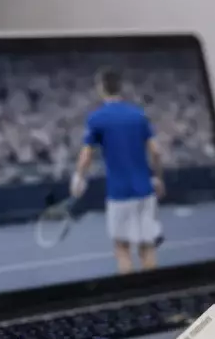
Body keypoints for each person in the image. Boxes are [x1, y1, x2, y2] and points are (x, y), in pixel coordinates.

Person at [70, 68, 166, 274]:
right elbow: (156, 152)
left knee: (122, 249)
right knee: (147, 247)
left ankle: (133, 299)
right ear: (120, 88)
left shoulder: (96, 119)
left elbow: (86, 155)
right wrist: (157, 178)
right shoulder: (139, 115)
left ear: (101, 88)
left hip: (119, 194)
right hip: (144, 191)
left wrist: (78, 178)